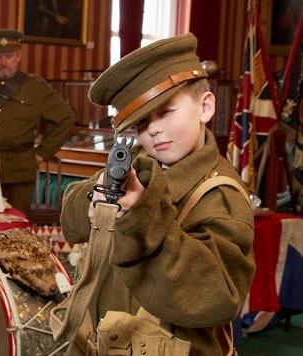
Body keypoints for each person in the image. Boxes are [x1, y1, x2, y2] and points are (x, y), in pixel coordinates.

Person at [59, 33, 255, 355]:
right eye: (140, 123)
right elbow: (69, 214)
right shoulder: (141, 165)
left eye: (165, 112)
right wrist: (96, 204)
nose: (152, 130)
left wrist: (141, 217)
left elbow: (216, 296)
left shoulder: (219, 194)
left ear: (205, 107)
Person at [0, 29, 75, 213]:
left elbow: (66, 118)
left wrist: (42, 153)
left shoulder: (36, 88)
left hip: (20, 171)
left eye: (8, 56)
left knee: (17, 228)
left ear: (18, 56)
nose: (3, 62)